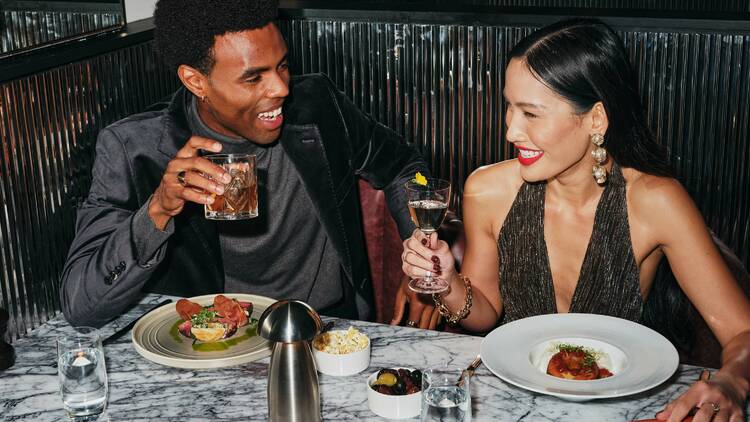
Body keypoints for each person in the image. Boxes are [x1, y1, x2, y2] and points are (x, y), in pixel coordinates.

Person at [400, 18, 750, 422]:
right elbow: (485, 313)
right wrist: (446, 282)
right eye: (509, 107)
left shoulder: (656, 202)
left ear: (596, 120)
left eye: (531, 114)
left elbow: (743, 332)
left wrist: (732, 382)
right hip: (512, 407)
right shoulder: (487, 189)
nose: (511, 130)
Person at [59, 0, 429, 327]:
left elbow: (404, 167)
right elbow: (80, 304)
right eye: (253, 77)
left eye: (282, 66)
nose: (281, 88)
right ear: (195, 81)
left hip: (324, 329)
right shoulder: (133, 148)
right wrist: (157, 210)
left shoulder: (318, 106)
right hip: (210, 349)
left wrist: (421, 250)